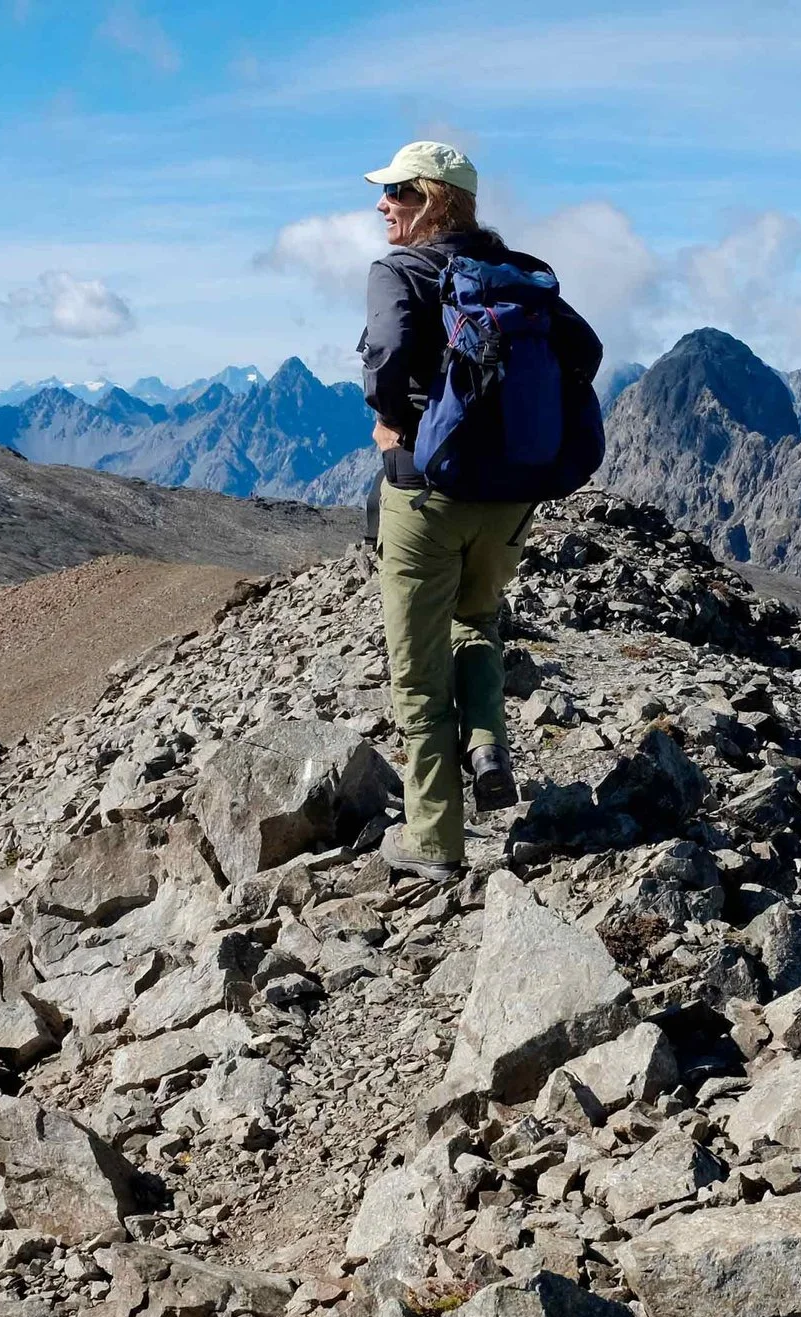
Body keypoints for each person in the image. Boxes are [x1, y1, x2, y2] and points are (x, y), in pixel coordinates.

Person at [358, 140, 600, 881]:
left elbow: (390, 349)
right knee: (478, 618)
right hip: (510, 497)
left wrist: (393, 414)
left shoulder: (398, 271)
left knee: (417, 673)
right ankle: (488, 739)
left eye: (395, 192)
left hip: (424, 495)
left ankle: (433, 840)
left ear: (431, 199)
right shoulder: (520, 274)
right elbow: (584, 351)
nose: (381, 204)